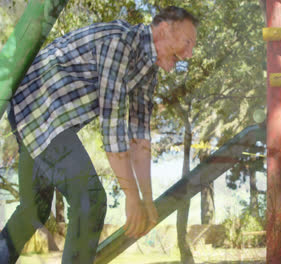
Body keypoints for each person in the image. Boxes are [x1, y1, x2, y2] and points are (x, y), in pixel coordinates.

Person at [0, 6, 198, 263]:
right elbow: (112, 124)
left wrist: (147, 200)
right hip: (39, 107)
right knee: (90, 199)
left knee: (33, 208)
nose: (190, 53)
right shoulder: (120, 42)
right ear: (164, 29)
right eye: (187, 42)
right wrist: (131, 197)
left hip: (46, 117)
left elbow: (139, 137)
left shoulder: (147, 72)